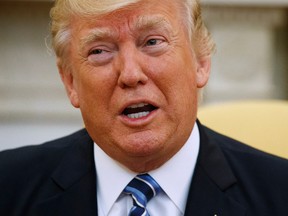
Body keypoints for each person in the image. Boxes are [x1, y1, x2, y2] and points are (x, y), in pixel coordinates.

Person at [0, 0, 288, 215]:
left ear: (201, 62)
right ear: (70, 82)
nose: (130, 74)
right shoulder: (9, 186)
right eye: (99, 51)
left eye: (152, 42)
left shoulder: (279, 194)